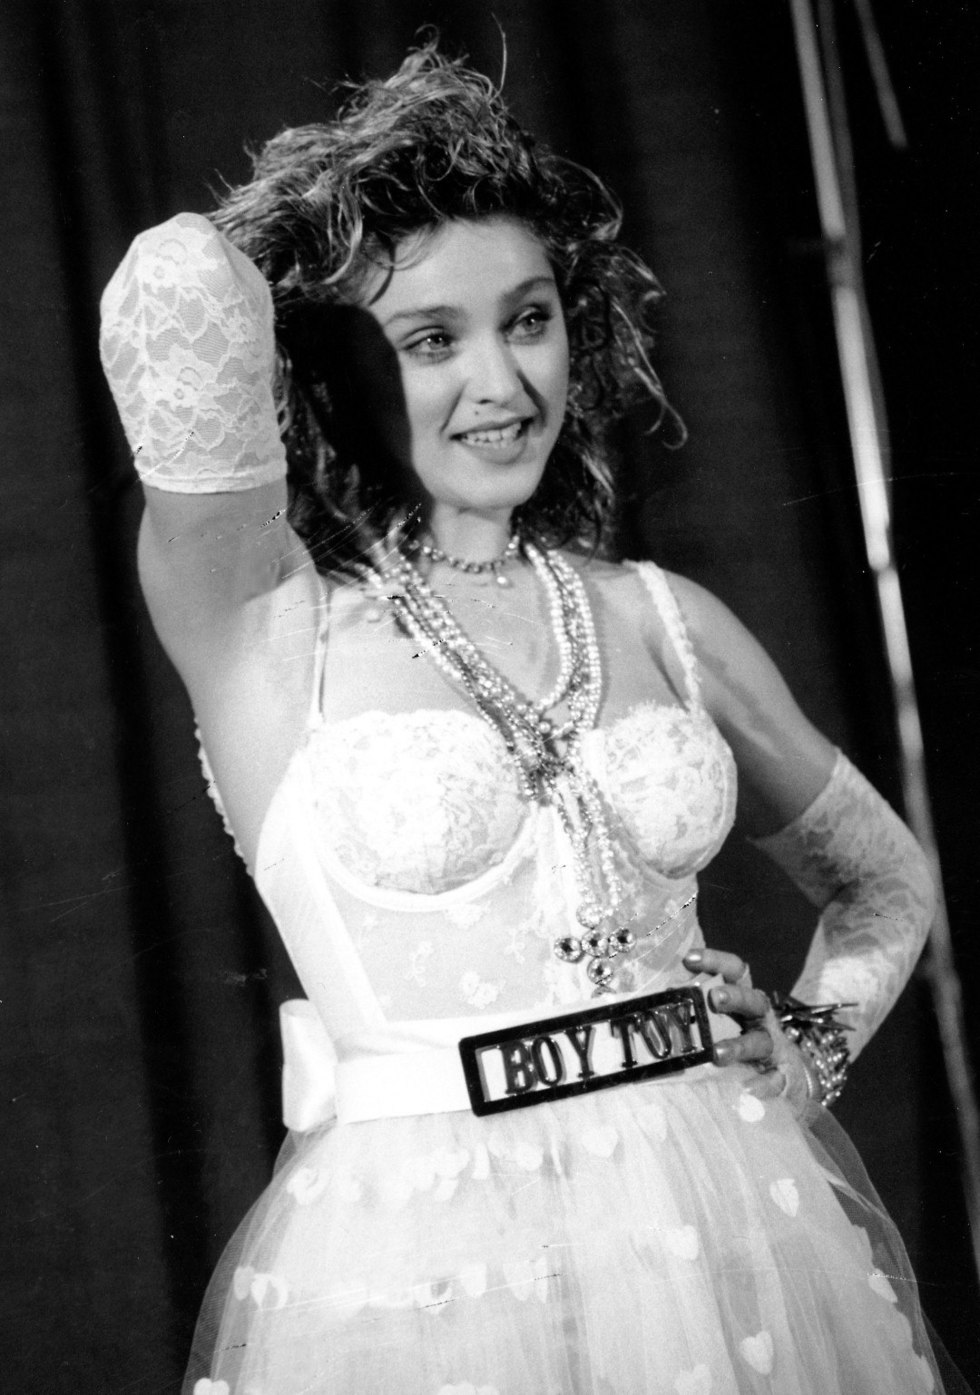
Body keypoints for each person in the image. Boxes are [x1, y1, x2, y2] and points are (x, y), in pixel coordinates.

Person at [100, 41, 952, 1395]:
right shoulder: (263, 627)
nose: (502, 384)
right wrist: (314, 238)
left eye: (531, 317)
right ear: (333, 369)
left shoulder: (662, 618)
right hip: (431, 1272)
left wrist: (814, 1043)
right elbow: (175, 287)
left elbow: (886, 883)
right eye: (433, 340)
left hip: (730, 1228)